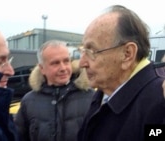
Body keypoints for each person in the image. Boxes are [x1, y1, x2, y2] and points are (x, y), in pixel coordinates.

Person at [77, 5, 165, 141]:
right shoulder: (102, 93)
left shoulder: (159, 103)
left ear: (127, 54)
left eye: (91, 51)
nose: (81, 63)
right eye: (83, 51)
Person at [15, 40, 94, 141]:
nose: (63, 68)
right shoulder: (29, 101)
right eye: (55, 63)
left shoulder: (90, 97)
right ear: (42, 68)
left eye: (66, 61)